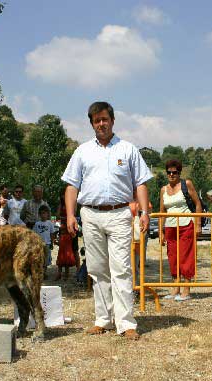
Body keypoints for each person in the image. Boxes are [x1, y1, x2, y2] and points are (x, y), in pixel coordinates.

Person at [61, 101, 152, 340]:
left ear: (112, 120)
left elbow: (141, 183)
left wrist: (144, 212)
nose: (101, 124)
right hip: (89, 214)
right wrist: (70, 214)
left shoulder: (128, 149)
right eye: (96, 120)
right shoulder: (82, 151)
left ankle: (126, 323)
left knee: (121, 269)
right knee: (97, 269)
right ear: (91, 124)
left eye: (104, 119)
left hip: (121, 213)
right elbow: (72, 185)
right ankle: (103, 319)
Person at [159, 159, 202, 301]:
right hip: (170, 227)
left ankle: (186, 289)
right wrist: (161, 231)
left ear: (179, 173)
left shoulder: (186, 184)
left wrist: (198, 224)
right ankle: (175, 288)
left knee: (186, 256)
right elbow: (162, 212)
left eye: (175, 172)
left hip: (186, 224)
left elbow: (197, 204)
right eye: (169, 172)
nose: (171, 175)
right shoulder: (163, 190)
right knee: (173, 257)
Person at [33, 204, 56, 277]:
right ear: (39, 214)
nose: (43, 215)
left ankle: (44, 272)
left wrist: (52, 243)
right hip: (39, 244)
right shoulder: (37, 224)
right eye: (42, 213)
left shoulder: (50, 223)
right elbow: (34, 234)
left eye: (45, 213)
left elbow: (52, 234)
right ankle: (40, 272)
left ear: (47, 214)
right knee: (39, 258)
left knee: (46, 259)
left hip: (47, 244)